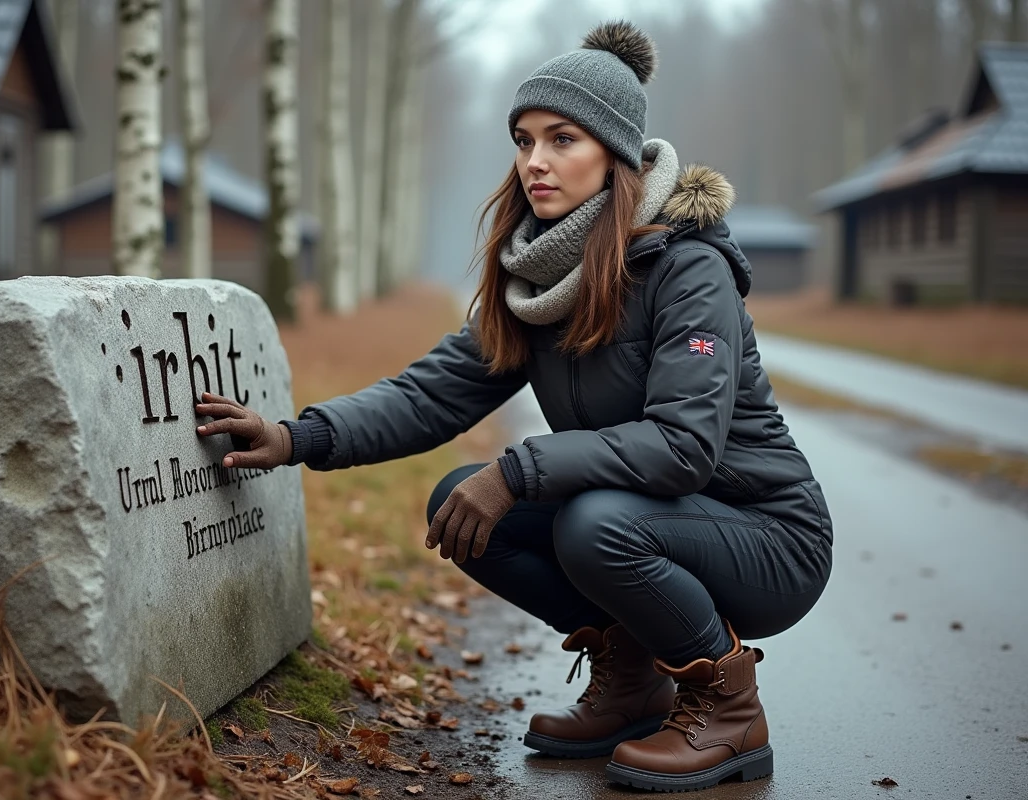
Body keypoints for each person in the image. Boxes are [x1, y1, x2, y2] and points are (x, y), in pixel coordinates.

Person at [194, 19, 832, 794]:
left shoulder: (689, 268)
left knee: (593, 523)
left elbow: (681, 447)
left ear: (616, 153)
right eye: (524, 139)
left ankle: (728, 707)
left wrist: (518, 468)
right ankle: (631, 681)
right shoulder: (537, 280)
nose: (535, 161)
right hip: (660, 523)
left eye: (562, 139)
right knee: (460, 508)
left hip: (769, 537)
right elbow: (430, 394)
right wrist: (296, 436)